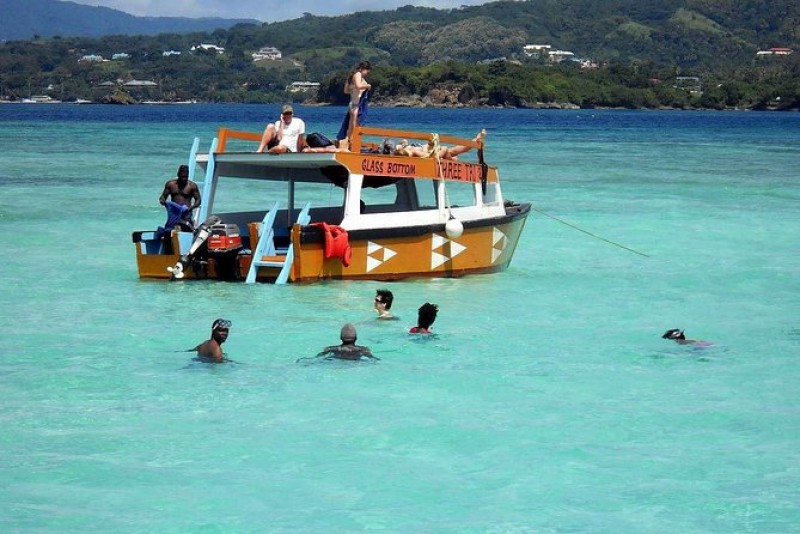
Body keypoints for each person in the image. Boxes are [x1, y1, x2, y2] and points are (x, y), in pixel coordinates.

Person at [159, 164, 201, 232]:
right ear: (178, 174)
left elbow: (198, 200)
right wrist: (162, 201)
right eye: (182, 176)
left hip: (186, 213)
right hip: (174, 213)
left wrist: (191, 207)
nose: (184, 178)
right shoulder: (170, 184)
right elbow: (163, 196)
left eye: (185, 176)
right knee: (173, 231)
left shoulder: (192, 186)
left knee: (186, 230)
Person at [393, 130, 486, 160]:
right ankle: (475, 141)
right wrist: (439, 151)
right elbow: (429, 157)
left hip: (427, 148)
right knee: (450, 150)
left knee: (452, 150)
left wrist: (404, 144)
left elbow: (402, 144)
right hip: (432, 152)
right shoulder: (413, 152)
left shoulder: (405, 149)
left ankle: (475, 141)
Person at [343, 61, 372, 145]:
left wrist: (354, 88)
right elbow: (359, 86)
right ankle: (351, 141)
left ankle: (351, 140)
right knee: (354, 124)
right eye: (367, 71)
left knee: (354, 123)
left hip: (354, 103)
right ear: (363, 69)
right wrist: (367, 86)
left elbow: (346, 91)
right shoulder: (358, 74)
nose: (367, 73)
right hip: (355, 104)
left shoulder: (353, 76)